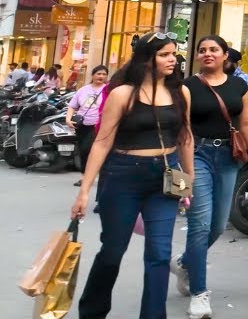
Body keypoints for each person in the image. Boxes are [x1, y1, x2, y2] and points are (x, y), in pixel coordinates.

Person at [72, 32, 193, 319]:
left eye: (173, 54)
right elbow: (102, 141)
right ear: (147, 59)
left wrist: (189, 182)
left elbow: (185, 138)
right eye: (164, 54)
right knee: (113, 251)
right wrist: (85, 190)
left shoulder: (181, 92)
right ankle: (92, 311)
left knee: (160, 255)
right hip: (122, 176)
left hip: (164, 177)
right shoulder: (122, 94)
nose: (172, 60)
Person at [171, 35, 248, 318]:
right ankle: (199, 293)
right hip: (196, 155)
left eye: (214, 50)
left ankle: (186, 262)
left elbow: (245, 123)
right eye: (202, 50)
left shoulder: (239, 85)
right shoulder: (187, 87)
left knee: (216, 225)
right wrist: (186, 174)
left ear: (226, 55)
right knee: (200, 225)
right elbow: (184, 132)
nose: (207, 54)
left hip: (228, 158)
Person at [66, 65, 109, 184]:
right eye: (98, 74)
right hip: (82, 125)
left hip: (99, 126)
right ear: (93, 75)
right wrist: (68, 119)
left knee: (90, 149)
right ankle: (85, 176)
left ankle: (94, 176)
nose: (101, 76)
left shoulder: (108, 90)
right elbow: (72, 106)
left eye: (104, 74)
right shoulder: (83, 90)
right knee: (83, 151)